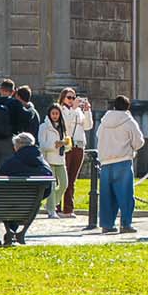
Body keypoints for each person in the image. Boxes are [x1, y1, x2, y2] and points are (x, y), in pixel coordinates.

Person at [95, 95, 145, 234]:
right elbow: (139, 142)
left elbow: (98, 136)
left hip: (105, 162)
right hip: (123, 161)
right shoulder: (129, 121)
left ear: (114, 106)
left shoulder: (104, 121)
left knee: (106, 196)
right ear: (128, 107)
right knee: (126, 196)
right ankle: (126, 224)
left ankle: (107, 224)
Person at [59, 87, 93, 216]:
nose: (71, 100)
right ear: (63, 98)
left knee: (72, 179)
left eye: (73, 98)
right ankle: (57, 206)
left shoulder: (78, 111)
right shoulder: (60, 110)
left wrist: (87, 111)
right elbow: (66, 124)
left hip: (78, 145)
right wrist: (73, 109)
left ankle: (69, 209)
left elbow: (88, 126)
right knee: (62, 178)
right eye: (69, 97)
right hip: (66, 145)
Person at [37, 102, 69, 218]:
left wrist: (65, 144)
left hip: (60, 159)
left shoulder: (62, 127)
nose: (55, 116)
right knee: (52, 184)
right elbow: (42, 144)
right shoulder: (44, 126)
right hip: (49, 159)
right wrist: (55, 145)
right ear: (49, 114)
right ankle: (51, 210)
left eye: (57, 113)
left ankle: (51, 203)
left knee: (64, 184)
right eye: (53, 113)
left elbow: (67, 145)